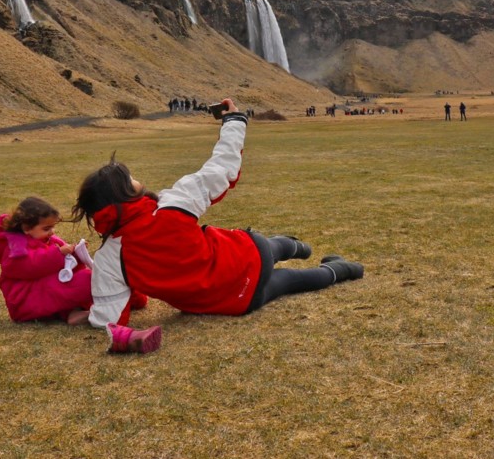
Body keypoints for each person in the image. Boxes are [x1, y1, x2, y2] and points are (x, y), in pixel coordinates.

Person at [70, 98, 364, 354]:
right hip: (247, 254)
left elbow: (110, 314)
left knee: (290, 281)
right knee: (269, 245)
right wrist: (234, 121)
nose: (137, 179)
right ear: (125, 193)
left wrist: (90, 315)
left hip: (234, 301)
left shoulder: (109, 256)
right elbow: (220, 168)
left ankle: (342, 269)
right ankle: (298, 247)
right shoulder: (171, 205)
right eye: (130, 178)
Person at [0, 197, 94, 325]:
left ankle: (73, 312)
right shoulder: (16, 248)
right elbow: (31, 266)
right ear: (26, 228)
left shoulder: (43, 239)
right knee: (85, 279)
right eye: (46, 229)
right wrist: (59, 254)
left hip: (38, 295)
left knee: (86, 278)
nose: (52, 232)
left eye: (52, 227)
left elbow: (55, 264)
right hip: (25, 301)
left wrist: (75, 254)